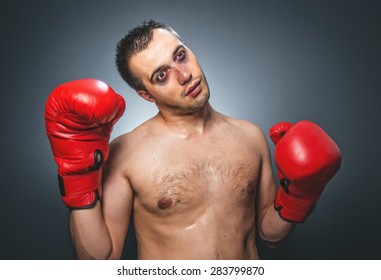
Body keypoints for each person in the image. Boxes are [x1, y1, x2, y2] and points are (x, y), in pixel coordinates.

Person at [44, 20, 341, 259]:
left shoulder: (250, 136)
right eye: (162, 75)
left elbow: (269, 237)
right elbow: (101, 261)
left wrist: (300, 196)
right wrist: (77, 177)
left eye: (181, 55)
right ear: (146, 95)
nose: (184, 75)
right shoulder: (126, 154)